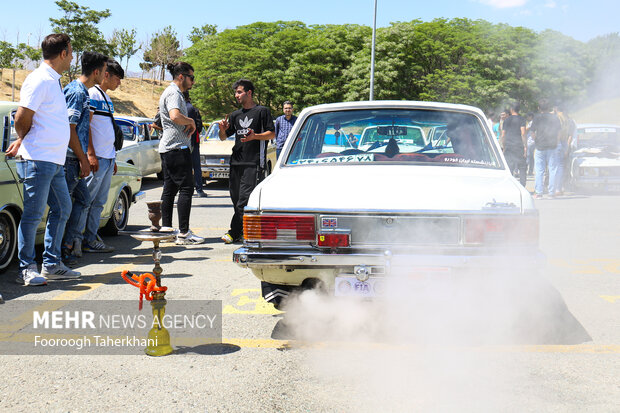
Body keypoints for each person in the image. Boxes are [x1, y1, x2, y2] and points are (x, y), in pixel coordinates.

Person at [5, 33, 79, 285]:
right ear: (63, 53)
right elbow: (21, 117)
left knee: (62, 208)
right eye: (71, 51)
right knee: (33, 215)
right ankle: (26, 269)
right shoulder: (39, 80)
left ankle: (51, 264)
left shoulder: (53, 80)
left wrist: (22, 138)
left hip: (53, 159)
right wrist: (23, 138)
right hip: (38, 159)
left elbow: (40, 119)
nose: (72, 57)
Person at [61, 51, 108, 263]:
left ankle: (69, 245)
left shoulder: (82, 92)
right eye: (105, 71)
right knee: (63, 208)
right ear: (96, 72)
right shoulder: (77, 92)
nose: (105, 75)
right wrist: (83, 158)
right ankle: (61, 252)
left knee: (83, 200)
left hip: (74, 158)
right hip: (69, 159)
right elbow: (69, 130)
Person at [218, 79, 275, 244]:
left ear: (249, 93)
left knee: (244, 200)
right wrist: (222, 130)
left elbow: (272, 134)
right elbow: (223, 137)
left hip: (254, 162)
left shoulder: (262, 111)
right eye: (236, 92)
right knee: (236, 200)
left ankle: (235, 232)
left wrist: (255, 136)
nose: (236, 95)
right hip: (236, 162)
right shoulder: (236, 115)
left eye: (239, 92)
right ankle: (242, 231)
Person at [158, 62, 205, 245]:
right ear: (181, 77)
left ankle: (167, 230)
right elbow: (175, 116)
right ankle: (184, 234)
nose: (193, 81)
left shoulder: (172, 92)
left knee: (169, 190)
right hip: (177, 148)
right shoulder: (174, 93)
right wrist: (191, 121)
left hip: (170, 148)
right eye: (191, 77)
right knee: (186, 188)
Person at [81, 59, 125, 253]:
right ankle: (76, 240)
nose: (119, 83)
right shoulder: (92, 94)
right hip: (96, 158)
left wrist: (112, 157)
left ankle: (90, 238)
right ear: (106, 75)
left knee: (98, 202)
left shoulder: (106, 99)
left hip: (107, 158)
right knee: (85, 201)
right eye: (117, 78)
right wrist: (90, 154)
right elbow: (87, 126)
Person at [530, 99, 562, 199]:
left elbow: (532, 132)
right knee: (553, 169)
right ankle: (551, 193)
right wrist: (556, 142)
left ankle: (539, 193)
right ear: (549, 108)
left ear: (539, 108)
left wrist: (536, 140)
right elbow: (559, 132)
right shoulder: (555, 118)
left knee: (539, 170)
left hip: (540, 146)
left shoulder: (536, 117)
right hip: (552, 146)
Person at [183, 90, 206, 197]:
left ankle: (186, 189)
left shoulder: (181, 109)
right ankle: (199, 189)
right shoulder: (193, 109)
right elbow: (199, 126)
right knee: (196, 166)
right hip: (194, 141)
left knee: (185, 166)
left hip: (184, 141)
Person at [500, 102, 527, 187]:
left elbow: (503, 135)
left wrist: (504, 147)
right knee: (522, 167)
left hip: (509, 146)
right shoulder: (522, 119)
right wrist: (525, 146)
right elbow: (523, 133)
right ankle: (522, 186)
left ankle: (509, 186)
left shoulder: (506, 120)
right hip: (519, 146)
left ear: (511, 110)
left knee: (509, 168)